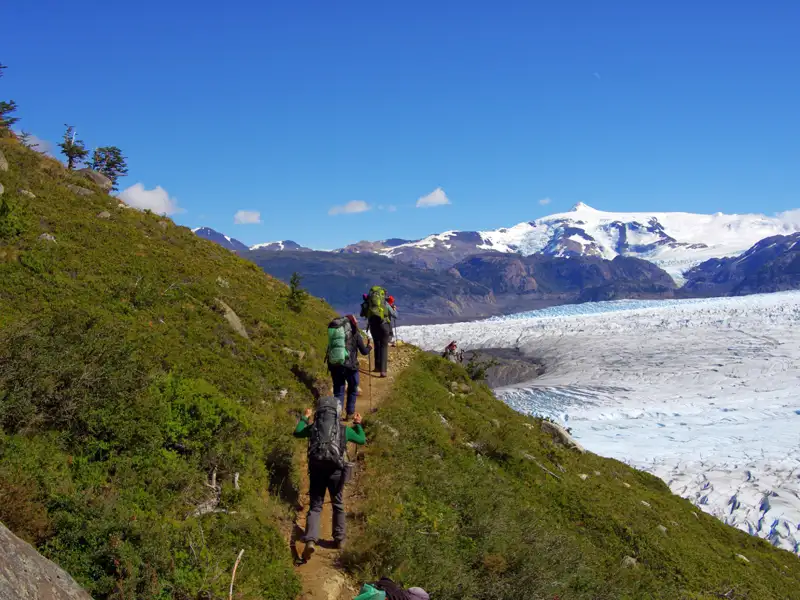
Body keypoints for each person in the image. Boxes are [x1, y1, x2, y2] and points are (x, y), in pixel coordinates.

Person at [294, 395, 366, 561]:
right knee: (338, 503)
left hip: (317, 469)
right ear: (336, 413)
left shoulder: (314, 428)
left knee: (316, 505)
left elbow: (297, 432)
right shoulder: (343, 430)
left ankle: (311, 539)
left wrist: (305, 418)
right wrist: (358, 425)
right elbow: (361, 439)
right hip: (336, 471)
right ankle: (339, 540)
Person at [326, 314, 371, 420]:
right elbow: (364, 352)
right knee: (352, 388)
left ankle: (336, 416)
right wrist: (369, 347)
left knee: (338, 391)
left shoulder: (336, 336)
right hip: (350, 367)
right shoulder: (355, 334)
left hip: (335, 365)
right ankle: (350, 413)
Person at [361, 286, 397, 378]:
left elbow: (362, 314)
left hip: (373, 326)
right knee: (384, 347)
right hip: (384, 325)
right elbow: (395, 315)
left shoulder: (369, 302)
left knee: (377, 344)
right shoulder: (384, 302)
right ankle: (383, 371)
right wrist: (394, 309)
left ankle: (377, 367)